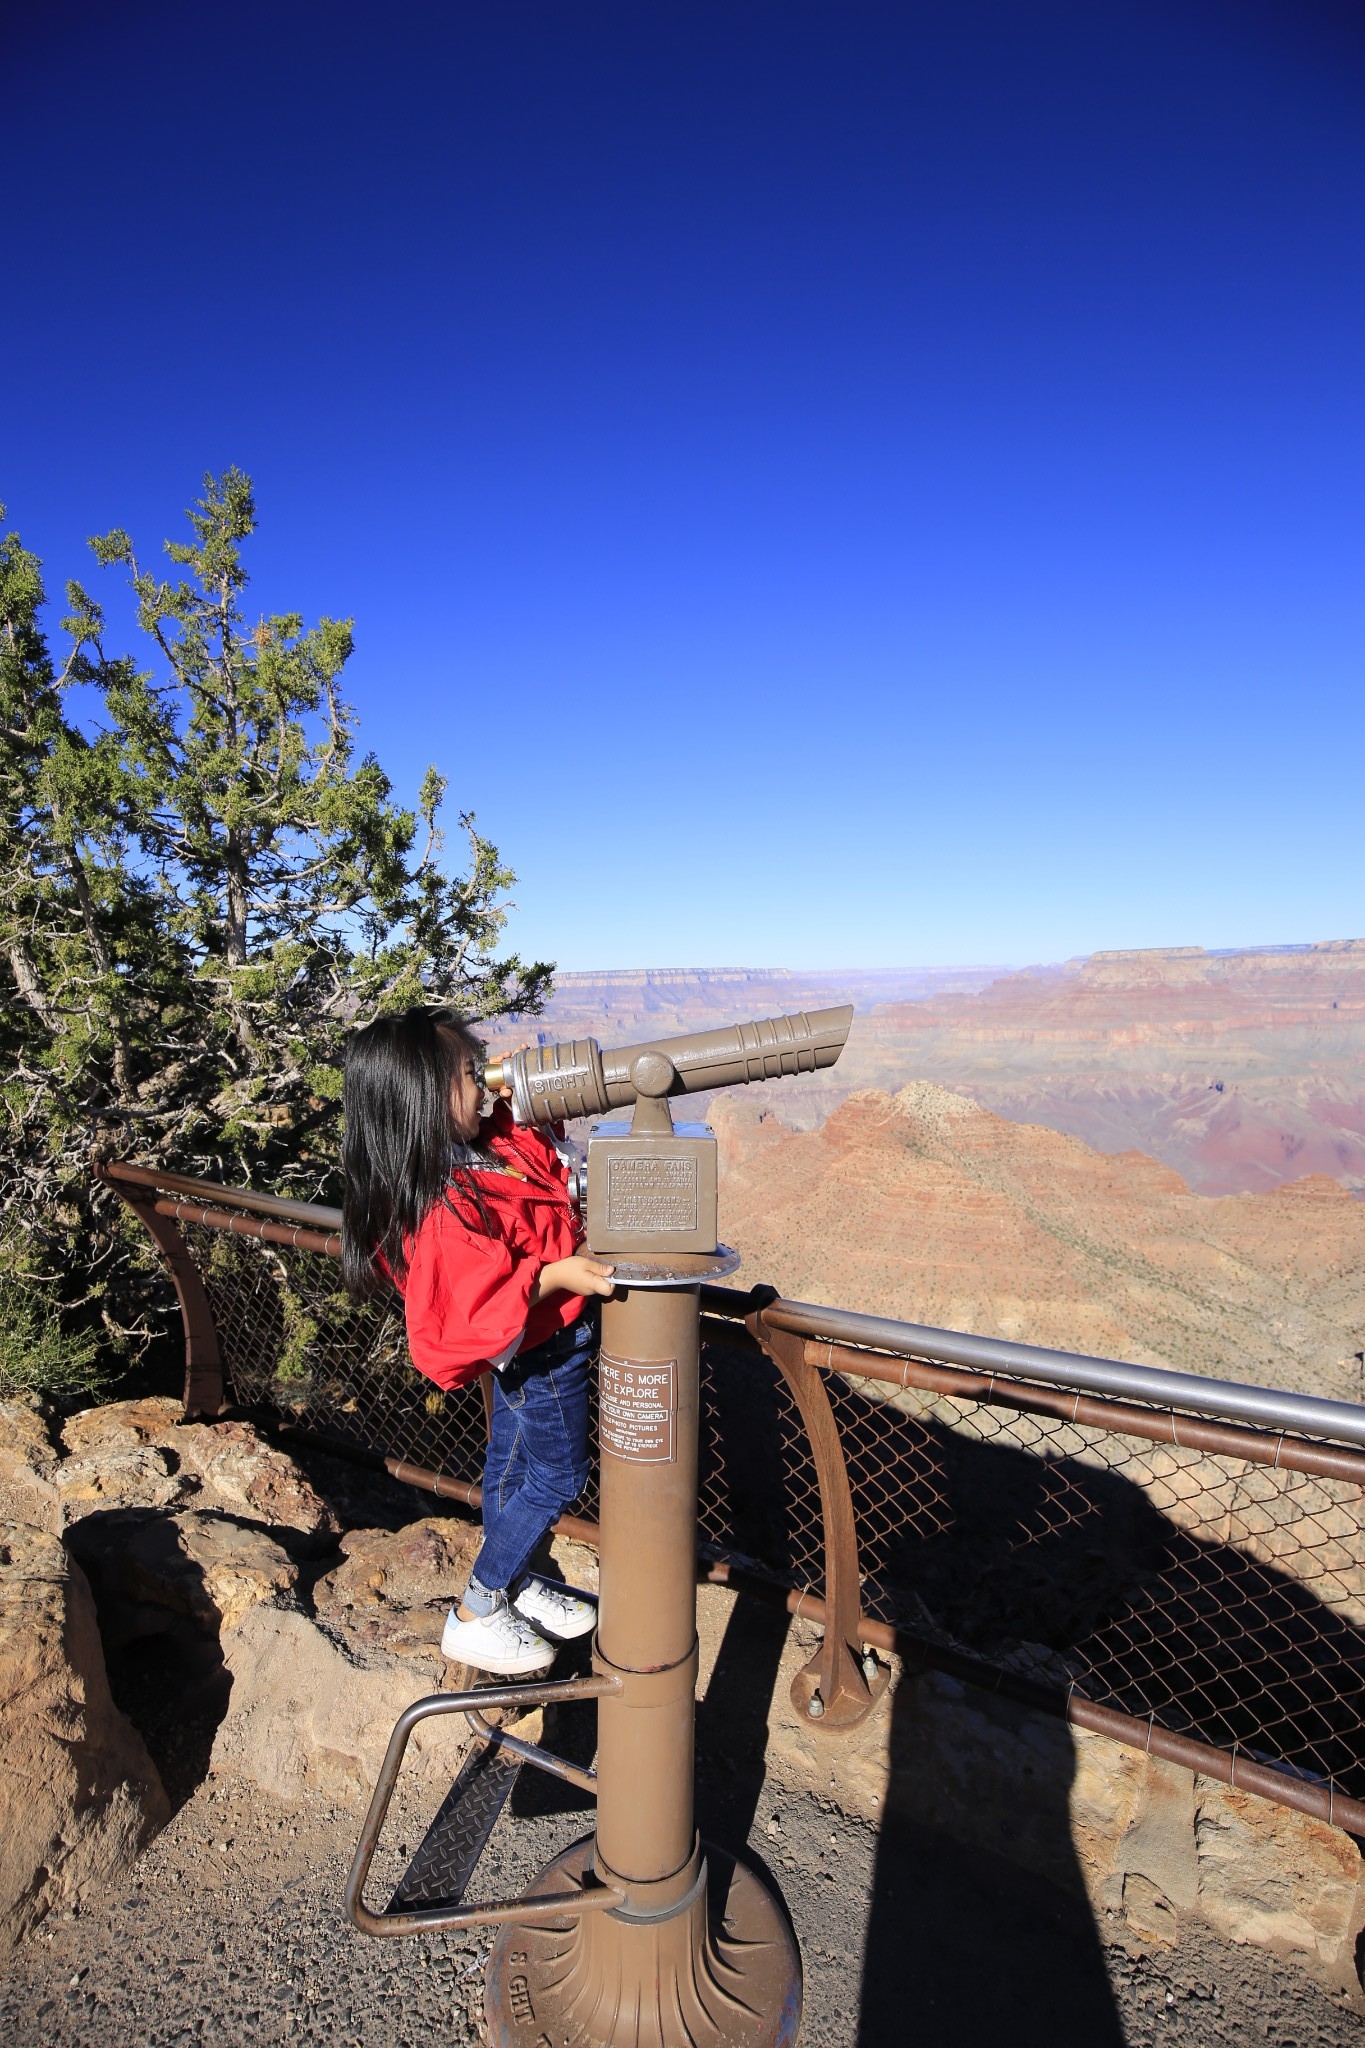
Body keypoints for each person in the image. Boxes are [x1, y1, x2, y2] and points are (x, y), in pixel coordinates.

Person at [339, 1007, 615, 1676]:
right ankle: (478, 1607)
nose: (486, 1084)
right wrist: (555, 1274)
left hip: (542, 1346)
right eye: (471, 1074)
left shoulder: (475, 1148)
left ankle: (515, 1578)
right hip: (545, 1351)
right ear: (424, 1099)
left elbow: (524, 1141)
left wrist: (522, 1081)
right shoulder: (443, 1206)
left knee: (508, 1465)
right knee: (557, 1474)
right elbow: (476, 1294)